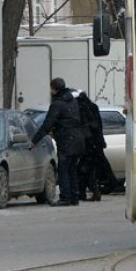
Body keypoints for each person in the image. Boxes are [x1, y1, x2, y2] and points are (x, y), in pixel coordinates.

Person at [29, 77, 85, 206]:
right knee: (72, 169)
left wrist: (34, 141)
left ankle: (65, 197)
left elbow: (48, 123)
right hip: (77, 139)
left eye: (51, 89)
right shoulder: (72, 101)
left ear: (54, 89)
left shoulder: (57, 104)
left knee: (64, 169)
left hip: (66, 140)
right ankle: (74, 197)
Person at [76, 91, 120, 201]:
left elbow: (85, 127)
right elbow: (98, 125)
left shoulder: (81, 110)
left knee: (84, 169)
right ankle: (94, 191)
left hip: (89, 144)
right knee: (91, 169)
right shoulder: (93, 107)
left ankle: (86, 192)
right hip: (96, 143)